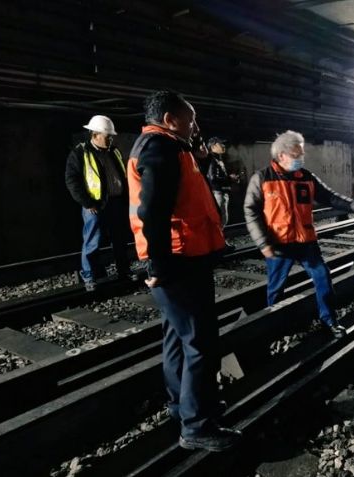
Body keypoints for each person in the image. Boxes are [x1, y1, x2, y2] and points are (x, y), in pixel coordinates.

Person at [127, 90, 240, 452]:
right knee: (200, 343)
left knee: (178, 338)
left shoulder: (169, 146)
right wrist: (157, 264)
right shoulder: (159, 149)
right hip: (179, 260)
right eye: (190, 119)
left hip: (184, 256)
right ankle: (197, 425)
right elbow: (153, 211)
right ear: (170, 119)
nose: (195, 126)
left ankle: (185, 406)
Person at [244, 130, 354, 338]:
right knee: (276, 289)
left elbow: (329, 197)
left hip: (306, 242)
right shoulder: (262, 178)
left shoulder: (306, 177)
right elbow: (251, 210)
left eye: (301, 153)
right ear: (281, 156)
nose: (301, 158)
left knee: (323, 277)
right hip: (279, 244)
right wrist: (263, 243)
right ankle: (275, 330)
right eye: (296, 154)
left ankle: (329, 320)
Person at [65, 114, 132, 291]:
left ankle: (124, 271)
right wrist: (87, 203)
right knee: (93, 241)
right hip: (94, 205)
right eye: (107, 136)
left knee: (119, 240)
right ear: (95, 135)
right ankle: (90, 277)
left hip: (116, 203)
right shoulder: (80, 153)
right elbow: (72, 181)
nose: (110, 140)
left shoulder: (113, 151)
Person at [206, 137, 238, 227]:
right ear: (213, 147)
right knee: (220, 220)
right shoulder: (212, 159)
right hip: (218, 193)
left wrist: (231, 179)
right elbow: (213, 178)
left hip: (221, 192)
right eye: (220, 144)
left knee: (222, 220)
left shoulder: (217, 159)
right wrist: (229, 178)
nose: (223, 146)